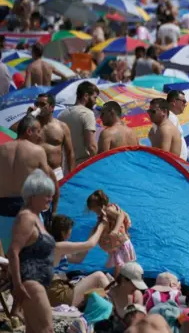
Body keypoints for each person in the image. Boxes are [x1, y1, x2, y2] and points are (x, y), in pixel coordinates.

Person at [7, 169, 57, 332]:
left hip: (36, 282)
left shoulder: (36, 217)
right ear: (33, 195)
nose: (50, 198)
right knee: (47, 329)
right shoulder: (26, 217)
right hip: (30, 281)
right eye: (46, 194)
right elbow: (13, 251)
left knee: (35, 330)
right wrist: (17, 285)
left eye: (51, 194)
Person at [0, 116, 58, 251]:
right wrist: (51, 209)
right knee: (33, 256)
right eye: (38, 131)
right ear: (29, 131)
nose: (40, 135)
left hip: (2, 209)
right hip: (26, 209)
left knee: (10, 256)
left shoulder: (1, 149)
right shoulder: (37, 151)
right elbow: (47, 183)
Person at [48, 214, 112, 307]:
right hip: (60, 295)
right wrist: (102, 226)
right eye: (70, 230)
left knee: (98, 287)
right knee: (99, 276)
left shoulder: (54, 248)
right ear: (63, 232)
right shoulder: (58, 247)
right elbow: (90, 244)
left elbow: (78, 259)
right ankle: (117, 306)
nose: (71, 233)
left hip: (57, 294)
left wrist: (94, 231)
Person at [87, 190, 136, 278]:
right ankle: (118, 282)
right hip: (119, 244)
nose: (95, 213)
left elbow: (121, 216)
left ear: (99, 206)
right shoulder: (108, 210)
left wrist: (116, 230)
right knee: (120, 266)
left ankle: (119, 282)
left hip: (121, 244)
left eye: (95, 210)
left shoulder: (108, 209)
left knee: (121, 266)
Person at [58, 81, 99, 166]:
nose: (95, 102)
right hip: (83, 165)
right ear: (86, 96)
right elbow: (91, 146)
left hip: (67, 165)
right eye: (94, 98)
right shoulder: (87, 113)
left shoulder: (62, 114)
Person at [165, 90, 188, 161]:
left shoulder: (170, 116)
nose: (185, 104)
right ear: (174, 102)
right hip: (174, 163)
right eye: (183, 101)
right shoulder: (170, 117)